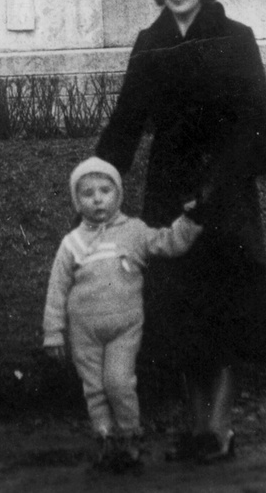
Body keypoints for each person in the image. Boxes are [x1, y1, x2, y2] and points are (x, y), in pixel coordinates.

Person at [93, 0, 266, 464]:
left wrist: (219, 182)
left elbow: (260, 128)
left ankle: (217, 432)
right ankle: (195, 428)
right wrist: (97, 179)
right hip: (168, 194)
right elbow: (127, 122)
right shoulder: (150, 44)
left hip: (225, 191)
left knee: (222, 313)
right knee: (180, 315)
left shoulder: (236, 38)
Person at [41, 156, 205, 473]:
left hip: (124, 328)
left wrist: (191, 220)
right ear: (78, 201)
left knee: (118, 382)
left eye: (105, 190)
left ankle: (131, 439)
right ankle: (106, 443)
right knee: (95, 389)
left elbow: (169, 242)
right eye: (88, 193)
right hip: (84, 332)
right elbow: (57, 288)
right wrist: (53, 332)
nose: (98, 198)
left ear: (118, 194)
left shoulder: (134, 231)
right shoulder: (71, 243)